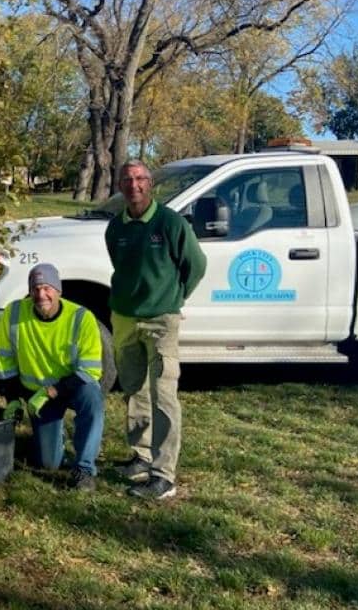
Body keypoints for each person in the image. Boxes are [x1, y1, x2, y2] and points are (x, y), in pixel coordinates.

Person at [105, 159, 207, 500]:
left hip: (161, 320)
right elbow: (121, 266)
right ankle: (141, 456)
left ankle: (164, 476)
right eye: (127, 179)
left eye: (140, 178)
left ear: (150, 184)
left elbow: (196, 265)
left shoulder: (170, 223)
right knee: (134, 389)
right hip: (124, 318)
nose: (133, 185)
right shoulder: (115, 228)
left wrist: (172, 298)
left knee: (163, 395)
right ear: (119, 185)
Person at [0, 263, 105, 491]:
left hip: (74, 387)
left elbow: (91, 370)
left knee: (93, 399)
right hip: (38, 396)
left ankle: (84, 469)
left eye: (47, 288)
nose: (41, 294)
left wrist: (51, 391)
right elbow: (5, 362)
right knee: (48, 463)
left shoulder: (81, 318)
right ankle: (57, 437)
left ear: (58, 291)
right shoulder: (13, 314)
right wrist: (13, 398)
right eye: (35, 289)